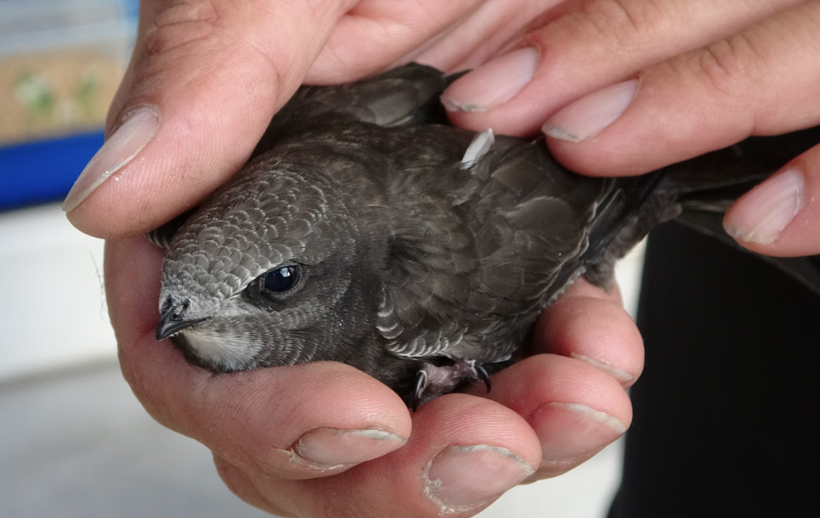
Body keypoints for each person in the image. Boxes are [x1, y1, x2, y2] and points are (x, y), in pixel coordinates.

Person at [64, 1, 820, 516]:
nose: (178, 317)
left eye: (276, 285)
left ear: (327, 277)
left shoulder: (420, 287)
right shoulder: (206, 220)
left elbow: (608, 168)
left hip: (629, 127)